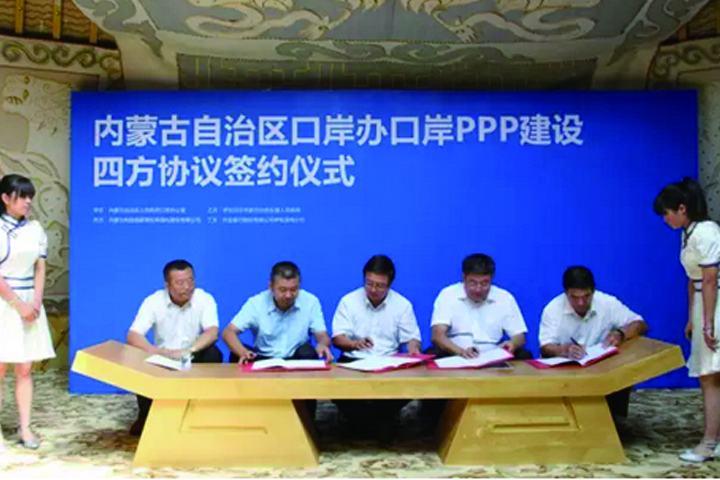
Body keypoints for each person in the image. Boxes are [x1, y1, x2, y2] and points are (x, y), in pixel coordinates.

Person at [655, 177, 720, 462]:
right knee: (710, 375)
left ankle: (709, 442)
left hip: (715, 304)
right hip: (703, 303)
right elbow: (693, 280)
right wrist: (692, 317)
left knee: (710, 375)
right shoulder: (688, 233)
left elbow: (710, 279)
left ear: (682, 209)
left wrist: (708, 323)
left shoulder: (706, 231)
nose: (665, 219)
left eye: (667, 213)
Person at [222, 261, 333, 419]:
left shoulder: (310, 301)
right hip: (264, 358)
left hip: (296, 358)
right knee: (236, 356)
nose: (288, 295)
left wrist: (322, 345)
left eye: (294, 290)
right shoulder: (256, 303)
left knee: (308, 352)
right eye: (282, 290)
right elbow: (228, 332)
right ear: (271, 287)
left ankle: (307, 422)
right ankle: (245, 418)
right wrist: (242, 352)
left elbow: (322, 334)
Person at [331, 255, 421, 445]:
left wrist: (413, 350)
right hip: (354, 361)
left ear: (390, 284)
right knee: (334, 386)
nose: (373, 290)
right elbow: (338, 339)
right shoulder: (348, 301)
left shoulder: (402, 305)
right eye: (369, 283)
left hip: (388, 361)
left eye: (380, 286)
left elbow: (412, 339)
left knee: (412, 382)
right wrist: (355, 344)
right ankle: (373, 421)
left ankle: (370, 421)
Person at [539, 266, 648, 419]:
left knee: (623, 362)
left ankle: (616, 419)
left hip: (603, 369)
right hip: (567, 370)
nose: (581, 302)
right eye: (574, 297)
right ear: (566, 293)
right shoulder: (552, 310)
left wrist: (620, 333)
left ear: (593, 291)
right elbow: (545, 347)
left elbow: (640, 324)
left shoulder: (607, 303)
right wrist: (565, 350)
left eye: (586, 296)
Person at [127, 260, 222, 435]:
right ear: (167, 285)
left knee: (214, 353)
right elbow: (133, 335)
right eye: (180, 283)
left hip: (193, 355)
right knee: (138, 355)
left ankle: (205, 411)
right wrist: (156, 352)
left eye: (190, 281)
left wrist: (189, 351)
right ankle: (145, 415)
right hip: (162, 356)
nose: (187, 287)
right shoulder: (153, 301)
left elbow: (212, 332)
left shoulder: (204, 299)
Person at [0, 174, 55, 451]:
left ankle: (25, 427)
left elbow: (40, 267)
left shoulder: (36, 229)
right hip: (4, 302)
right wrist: (17, 304)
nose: (27, 201)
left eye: (30, 196)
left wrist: (35, 301)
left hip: (30, 301)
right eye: (22, 196)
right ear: (5, 198)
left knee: (24, 368)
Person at [429, 254, 530, 360]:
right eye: (473, 283)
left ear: (492, 279)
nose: (478, 289)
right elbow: (438, 336)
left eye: (484, 283)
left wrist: (512, 343)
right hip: (455, 352)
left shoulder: (504, 298)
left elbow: (520, 336)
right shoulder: (448, 295)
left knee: (524, 355)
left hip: (492, 355)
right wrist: (461, 352)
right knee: (433, 353)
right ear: (464, 278)